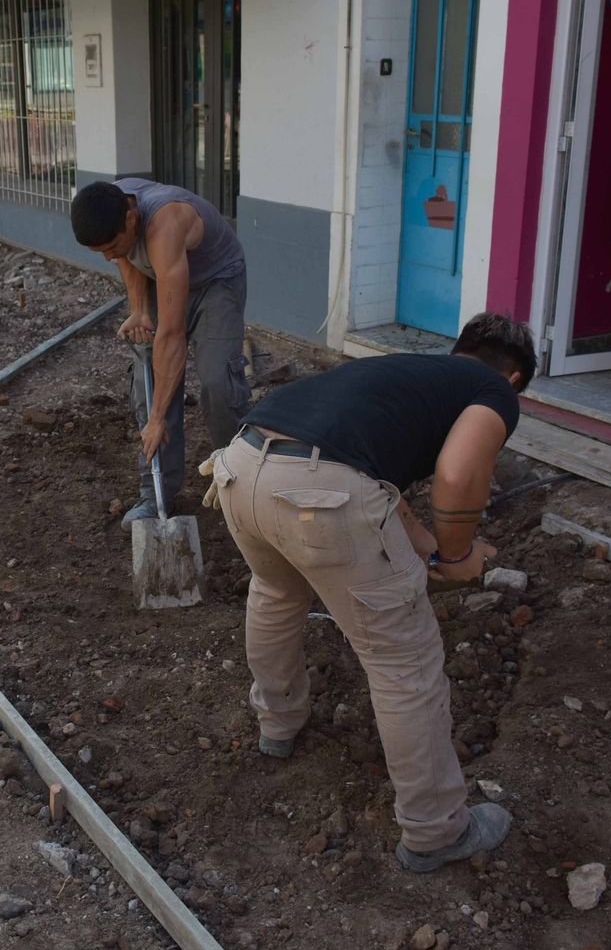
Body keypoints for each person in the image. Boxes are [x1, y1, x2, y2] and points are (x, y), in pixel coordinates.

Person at [198, 312, 536, 873]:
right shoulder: (493, 390)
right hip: (320, 491)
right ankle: (435, 831)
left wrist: (426, 546)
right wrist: (456, 554)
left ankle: (277, 725)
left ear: (458, 350)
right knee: (405, 661)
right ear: (517, 377)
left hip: (241, 466)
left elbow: (380, 482)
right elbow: (456, 475)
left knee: (277, 593)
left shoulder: (403, 376)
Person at [70, 180, 249, 526]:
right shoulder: (110, 207)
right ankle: (156, 493)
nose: (107, 257)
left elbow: (172, 335)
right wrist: (139, 309)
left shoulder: (165, 223)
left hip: (216, 283)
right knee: (146, 384)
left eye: (110, 247)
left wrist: (157, 421)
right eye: (99, 252)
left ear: (131, 219)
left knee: (218, 382)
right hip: (164, 276)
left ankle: (243, 486)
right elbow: (126, 256)